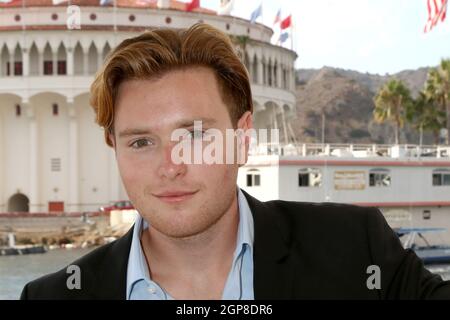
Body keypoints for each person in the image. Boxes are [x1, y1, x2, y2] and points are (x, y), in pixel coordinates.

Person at [20, 23, 450, 300]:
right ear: (114, 148)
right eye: (141, 143)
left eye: (196, 136)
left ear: (242, 139)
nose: (170, 166)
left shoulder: (358, 250)